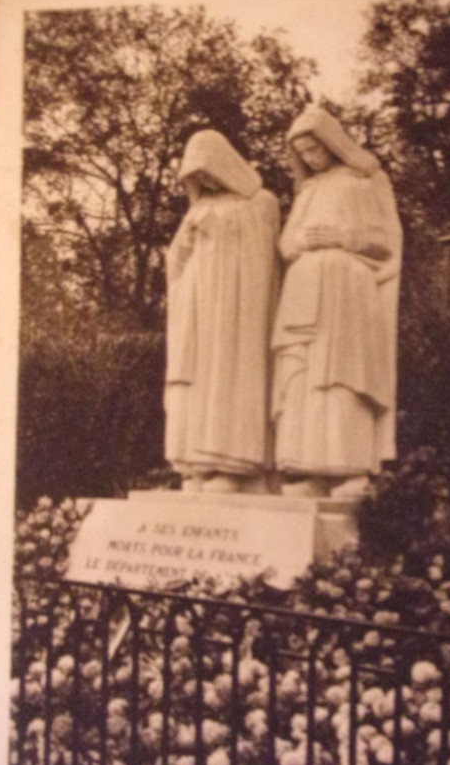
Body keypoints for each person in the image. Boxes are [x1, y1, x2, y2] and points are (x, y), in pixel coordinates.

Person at [271, 106, 403, 498]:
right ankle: (311, 470)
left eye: (315, 148)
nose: (311, 157)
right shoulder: (308, 191)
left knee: (343, 376)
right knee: (305, 379)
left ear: (331, 141)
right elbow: (285, 243)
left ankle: (351, 471)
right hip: (305, 290)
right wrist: (300, 242)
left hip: (348, 292)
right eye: (303, 153)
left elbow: (387, 241)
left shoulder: (364, 181)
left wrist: (343, 238)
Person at [165, 130, 279, 492]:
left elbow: (265, 261)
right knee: (198, 381)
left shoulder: (260, 202)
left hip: (237, 309)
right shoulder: (197, 210)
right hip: (198, 308)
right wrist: (183, 292)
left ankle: (234, 466)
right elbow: (176, 257)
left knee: (229, 378)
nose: (206, 182)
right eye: (197, 177)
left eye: (209, 171)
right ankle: (199, 465)